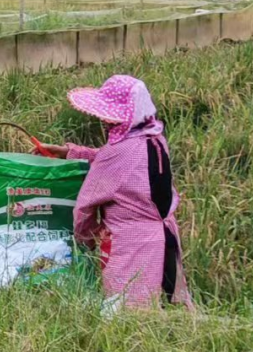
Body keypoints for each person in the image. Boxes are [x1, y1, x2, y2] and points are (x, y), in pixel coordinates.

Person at [27, 74, 191, 311]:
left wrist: (88, 238)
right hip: (163, 239)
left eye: (110, 117)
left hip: (131, 245)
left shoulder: (118, 153)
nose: (105, 121)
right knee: (163, 307)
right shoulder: (153, 139)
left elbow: (85, 206)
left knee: (124, 315)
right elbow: (117, 163)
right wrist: (68, 152)